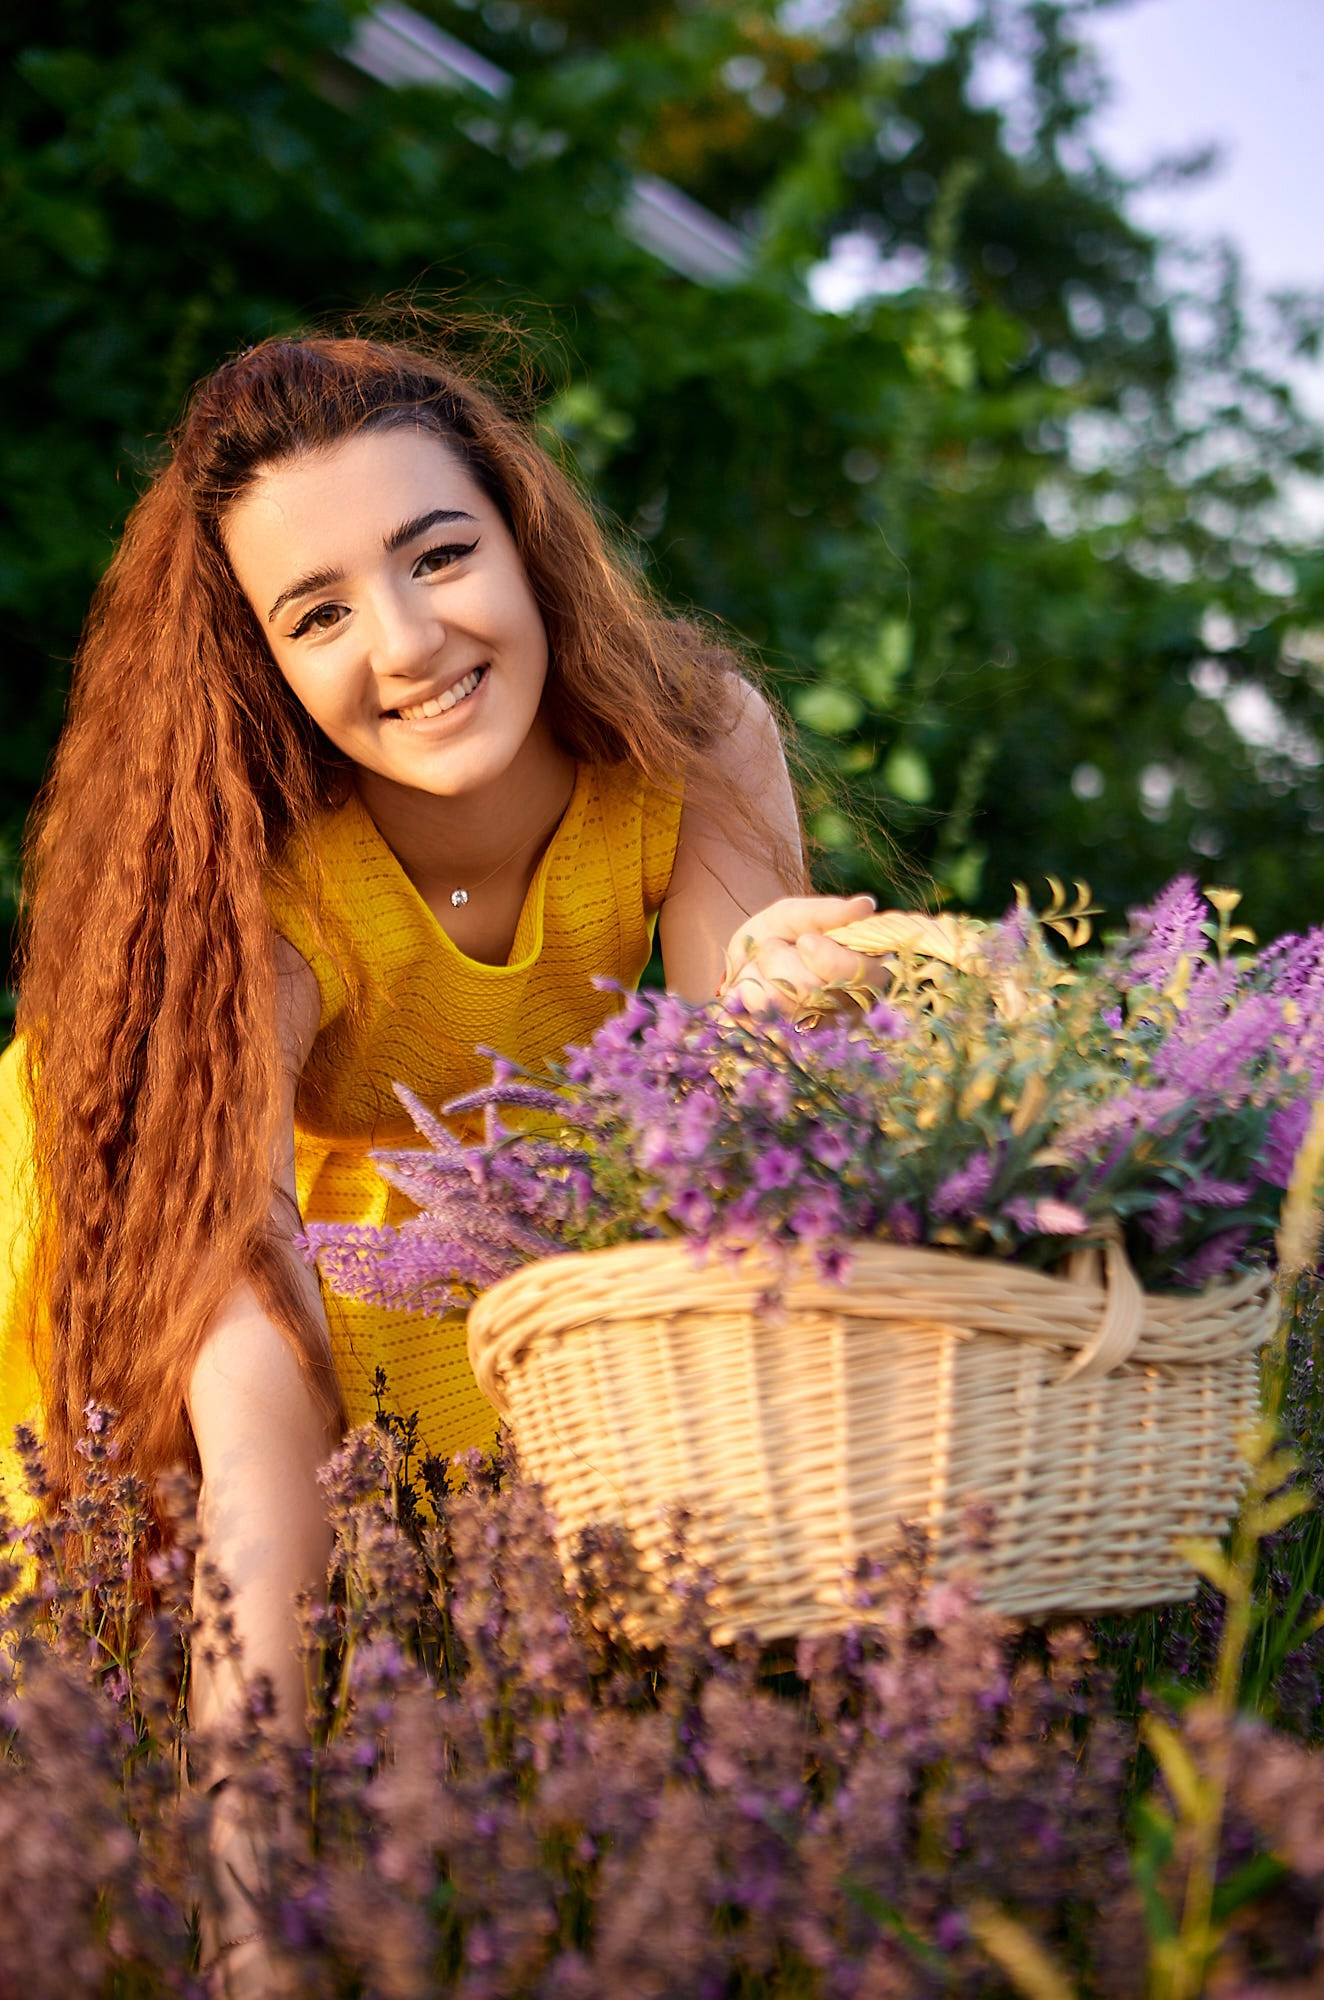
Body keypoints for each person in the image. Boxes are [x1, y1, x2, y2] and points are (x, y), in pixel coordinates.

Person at [0, 330, 881, 1982]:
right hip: (160, 1186)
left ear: (523, 539)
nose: (406, 644)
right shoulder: (259, 879)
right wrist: (245, 1928)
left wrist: (797, 1026)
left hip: (461, 1200)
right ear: (262, 663)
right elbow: (251, 1380)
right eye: (317, 613)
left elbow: (721, 1181)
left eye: (438, 553)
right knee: (106, 1603)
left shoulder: (694, 740)